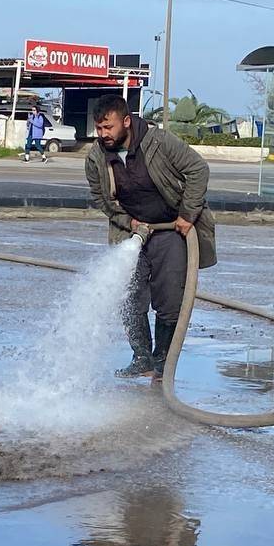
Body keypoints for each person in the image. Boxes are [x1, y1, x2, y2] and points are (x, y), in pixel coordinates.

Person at [84, 94, 216, 380]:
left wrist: (187, 214)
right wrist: (127, 221)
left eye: (109, 128)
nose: (104, 135)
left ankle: (162, 361)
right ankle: (141, 357)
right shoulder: (96, 157)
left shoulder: (158, 142)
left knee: (169, 297)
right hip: (131, 232)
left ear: (127, 122)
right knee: (129, 297)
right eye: (99, 128)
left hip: (170, 228)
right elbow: (102, 200)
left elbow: (197, 169)